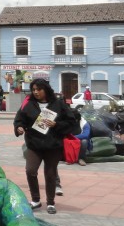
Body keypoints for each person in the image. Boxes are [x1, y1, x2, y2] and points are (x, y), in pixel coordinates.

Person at [13, 78, 80, 214]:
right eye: (33, 90)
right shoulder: (29, 104)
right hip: (34, 144)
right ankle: (35, 200)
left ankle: (50, 202)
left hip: (53, 145)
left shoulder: (58, 104)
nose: (36, 92)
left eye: (39, 89)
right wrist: (19, 127)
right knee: (30, 170)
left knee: (50, 174)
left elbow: (71, 122)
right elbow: (19, 120)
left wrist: (57, 125)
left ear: (46, 89)